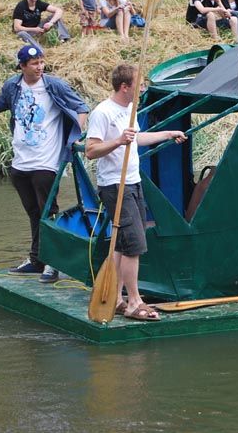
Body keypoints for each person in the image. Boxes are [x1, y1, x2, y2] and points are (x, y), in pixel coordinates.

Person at [0, 45, 90, 284]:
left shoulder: (54, 85)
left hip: (46, 160)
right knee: (33, 212)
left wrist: (76, 136)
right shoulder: (12, 85)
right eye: (34, 63)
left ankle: (53, 263)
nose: (40, 67)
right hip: (21, 160)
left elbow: (81, 107)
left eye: (41, 62)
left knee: (48, 212)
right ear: (22, 66)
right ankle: (37, 259)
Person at [86, 63, 187, 320]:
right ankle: (135, 302)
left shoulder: (130, 109)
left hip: (133, 182)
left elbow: (137, 138)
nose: (142, 90)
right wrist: (119, 140)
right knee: (134, 245)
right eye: (138, 85)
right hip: (114, 185)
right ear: (124, 87)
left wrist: (167, 134)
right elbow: (91, 150)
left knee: (123, 244)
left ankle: (117, 299)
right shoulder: (103, 113)